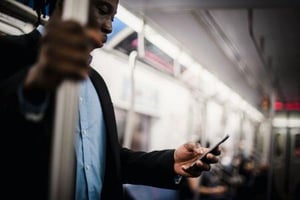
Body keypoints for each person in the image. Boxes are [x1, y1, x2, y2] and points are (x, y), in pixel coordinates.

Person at [0, 0, 221, 199]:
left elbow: (108, 161)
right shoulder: (8, 54)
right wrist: (34, 86)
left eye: (113, 17)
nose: (108, 26)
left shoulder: (96, 83)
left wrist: (171, 162)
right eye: (102, 10)